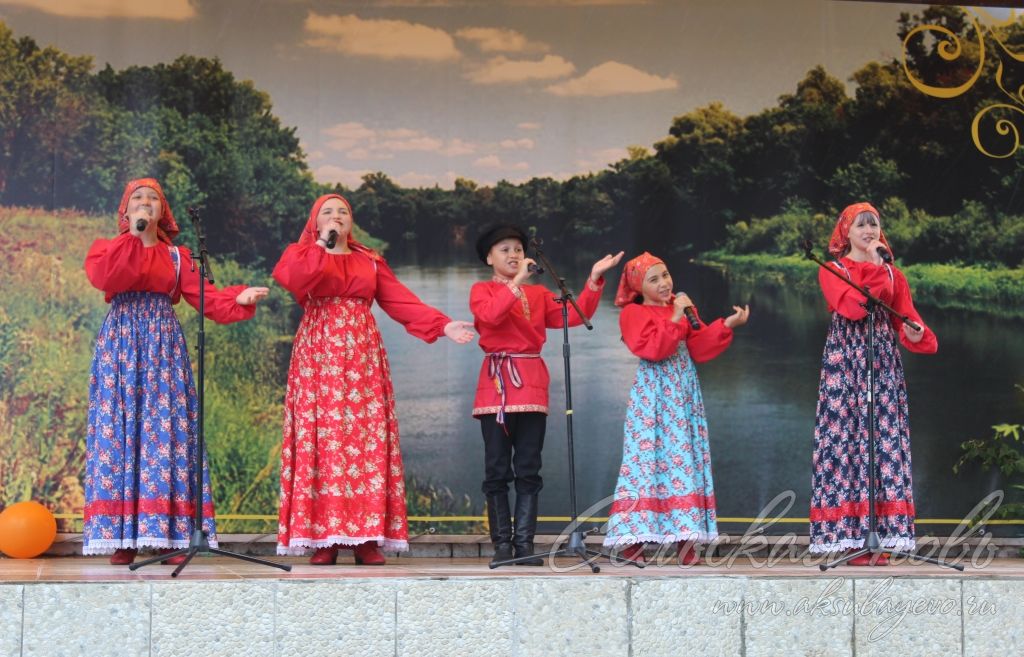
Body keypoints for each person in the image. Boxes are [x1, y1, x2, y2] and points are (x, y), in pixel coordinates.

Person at [273, 194, 474, 565]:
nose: (336, 217)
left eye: (343, 212)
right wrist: (321, 245)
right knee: (326, 440)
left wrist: (442, 324)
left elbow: (400, 301)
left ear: (353, 221)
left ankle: (366, 538)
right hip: (320, 356)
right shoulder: (302, 254)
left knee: (365, 442)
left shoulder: (369, 260)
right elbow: (295, 280)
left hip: (362, 357)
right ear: (315, 223)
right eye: (327, 213)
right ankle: (324, 539)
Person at [83, 178, 269, 565]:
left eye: (153, 199)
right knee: (122, 434)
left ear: (163, 211)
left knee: (164, 434)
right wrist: (133, 236)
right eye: (138, 199)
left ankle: (169, 535)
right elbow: (106, 278)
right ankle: (124, 538)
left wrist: (238, 298)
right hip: (121, 346)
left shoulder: (178, 257)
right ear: (126, 209)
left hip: (162, 345)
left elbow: (204, 296)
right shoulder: (107, 248)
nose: (145, 204)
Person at [470, 225, 623, 567]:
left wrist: (594, 279)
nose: (513, 255)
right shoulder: (481, 290)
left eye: (518, 249)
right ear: (488, 258)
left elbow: (575, 314)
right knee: (496, 469)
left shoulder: (538, 295)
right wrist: (517, 283)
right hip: (495, 385)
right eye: (504, 249)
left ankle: (524, 545)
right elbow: (490, 316)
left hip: (532, 384)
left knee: (529, 468)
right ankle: (502, 546)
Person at [810, 202, 937, 565]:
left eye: (874, 225)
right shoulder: (833, 269)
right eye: (861, 226)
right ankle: (849, 539)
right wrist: (877, 268)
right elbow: (854, 307)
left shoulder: (894, 275)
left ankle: (879, 535)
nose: (869, 232)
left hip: (881, 363)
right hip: (845, 364)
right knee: (847, 440)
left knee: (881, 442)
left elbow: (908, 321)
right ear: (845, 233)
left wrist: (915, 333)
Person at [602, 252, 749, 566]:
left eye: (665, 275)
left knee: (684, 462)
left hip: (683, 393)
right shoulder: (633, 313)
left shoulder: (681, 308)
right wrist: (675, 317)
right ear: (639, 288)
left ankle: (686, 541)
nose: (664, 283)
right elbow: (654, 350)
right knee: (647, 463)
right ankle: (633, 542)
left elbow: (698, 345)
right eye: (653, 279)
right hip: (654, 395)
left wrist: (726, 324)